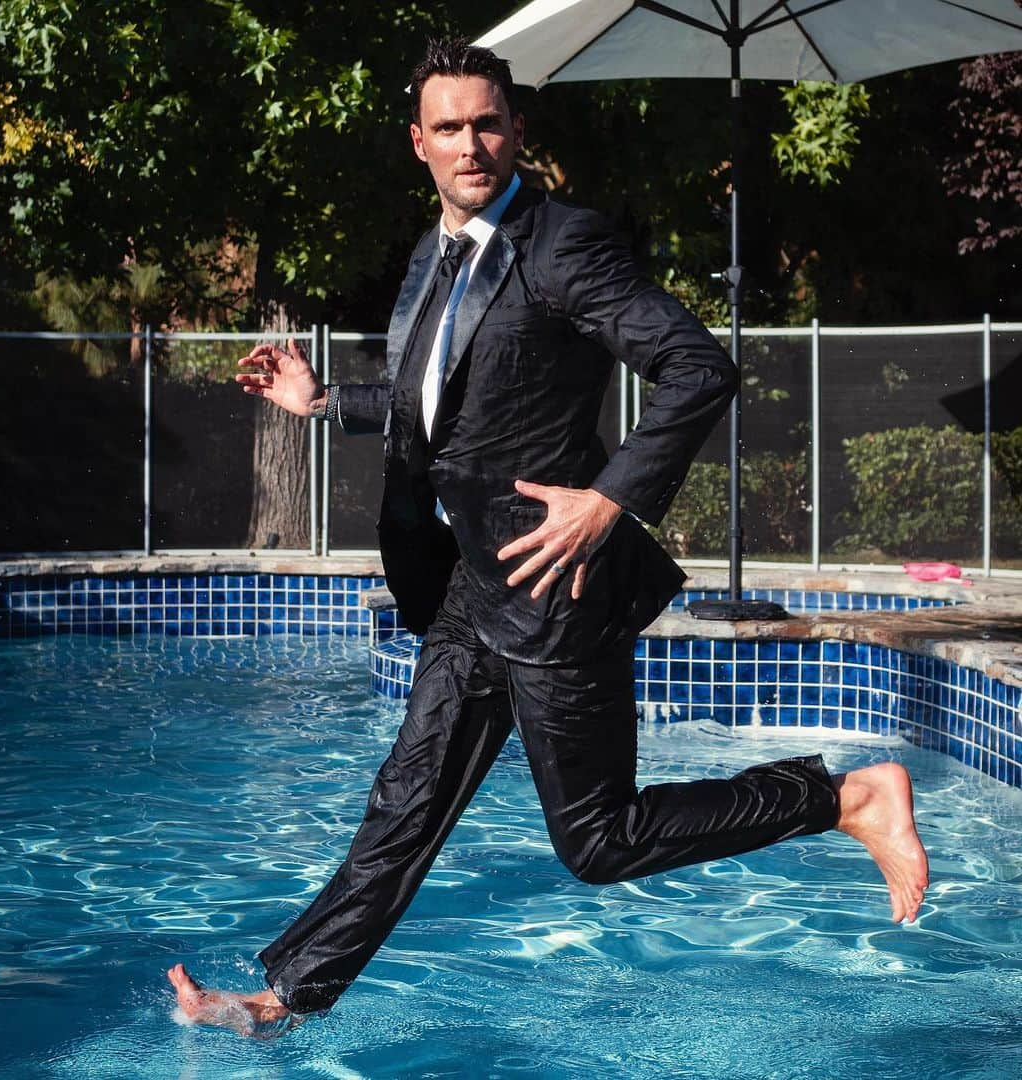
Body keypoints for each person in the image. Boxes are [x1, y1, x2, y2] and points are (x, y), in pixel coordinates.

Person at [168, 38, 928, 1034]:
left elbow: (698, 367)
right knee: (405, 801)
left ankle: (847, 798)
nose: (471, 144)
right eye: (450, 128)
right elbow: (442, 410)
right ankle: (286, 998)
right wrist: (322, 403)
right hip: (473, 590)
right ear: (419, 144)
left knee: (599, 842)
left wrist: (609, 500)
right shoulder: (437, 256)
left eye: (489, 123)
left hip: (555, 587)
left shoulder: (561, 244)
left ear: (517, 130)